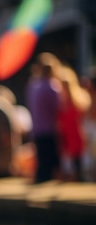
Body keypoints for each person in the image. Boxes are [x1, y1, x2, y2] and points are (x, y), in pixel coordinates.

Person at [26, 52, 62, 183]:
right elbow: (58, 108)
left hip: (37, 128)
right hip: (50, 127)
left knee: (41, 158)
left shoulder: (33, 86)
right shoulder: (52, 86)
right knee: (51, 159)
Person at [57, 65, 92, 181]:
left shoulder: (81, 104)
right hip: (69, 148)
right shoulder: (61, 108)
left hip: (83, 147)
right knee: (73, 176)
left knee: (85, 175)